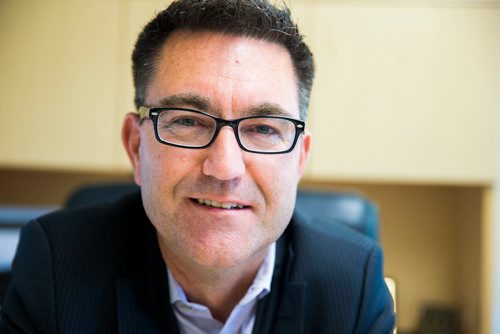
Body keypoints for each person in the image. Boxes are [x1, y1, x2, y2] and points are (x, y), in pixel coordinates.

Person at [0, 0, 395, 333]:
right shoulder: (56, 266)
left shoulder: (353, 285)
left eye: (262, 128)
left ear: (299, 159)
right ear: (136, 147)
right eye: (187, 121)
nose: (224, 168)